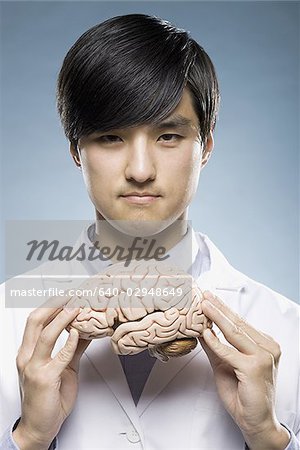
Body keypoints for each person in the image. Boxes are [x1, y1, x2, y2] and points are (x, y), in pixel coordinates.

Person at [0, 13, 299, 450]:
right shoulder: (4, 322)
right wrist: (28, 438)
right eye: (110, 137)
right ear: (76, 151)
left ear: (207, 146)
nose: (140, 171)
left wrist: (269, 439)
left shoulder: (287, 329)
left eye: (168, 136)